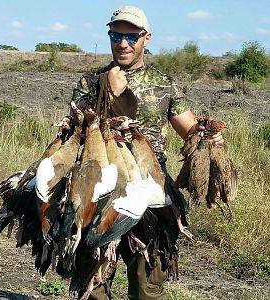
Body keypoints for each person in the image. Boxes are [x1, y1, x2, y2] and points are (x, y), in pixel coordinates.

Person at [71, 5, 224, 300]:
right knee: (94, 282)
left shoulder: (164, 84)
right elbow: (75, 132)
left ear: (147, 38)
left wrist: (209, 134)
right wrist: (111, 92)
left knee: (147, 282)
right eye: (116, 36)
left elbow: (189, 129)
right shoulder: (90, 82)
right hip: (101, 187)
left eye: (132, 37)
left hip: (150, 188)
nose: (123, 44)